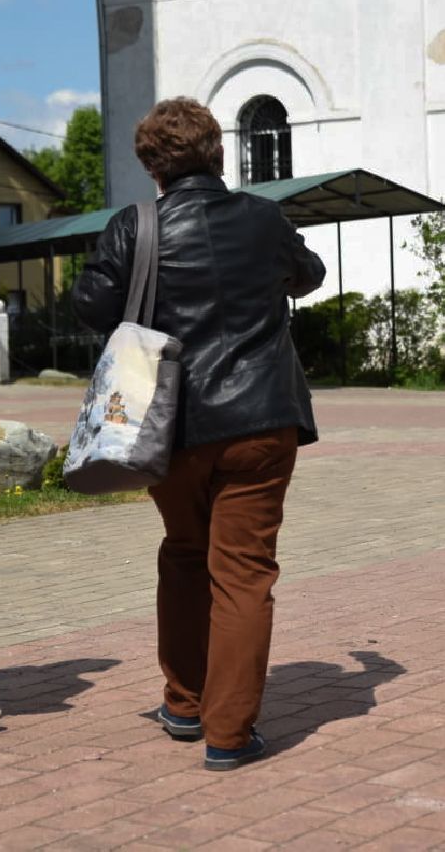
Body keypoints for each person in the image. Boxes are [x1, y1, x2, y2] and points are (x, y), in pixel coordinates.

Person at [74, 97, 325, 771]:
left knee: (185, 553)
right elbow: (309, 275)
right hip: (260, 421)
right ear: (219, 153)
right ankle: (230, 734)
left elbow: (90, 305)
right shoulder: (263, 218)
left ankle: (185, 703)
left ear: (152, 165)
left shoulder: (136, 227)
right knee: (242, 573)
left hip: (170, 426)